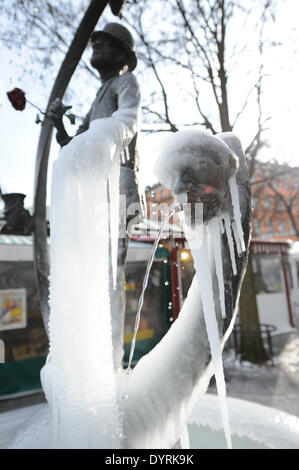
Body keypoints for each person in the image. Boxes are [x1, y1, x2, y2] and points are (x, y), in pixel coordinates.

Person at [48, 22, 144, 369]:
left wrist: (102, 134)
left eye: (103, 43)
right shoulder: (100, 94)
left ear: (121, 54)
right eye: (94, 43)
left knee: (112, 275)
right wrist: (59, 125)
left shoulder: (125, 83)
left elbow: (129, 120)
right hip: (99, 191)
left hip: (119, 187)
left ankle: (111, 360)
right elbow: (73, 143)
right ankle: (95, 351)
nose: (96, 47)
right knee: (95, 270)